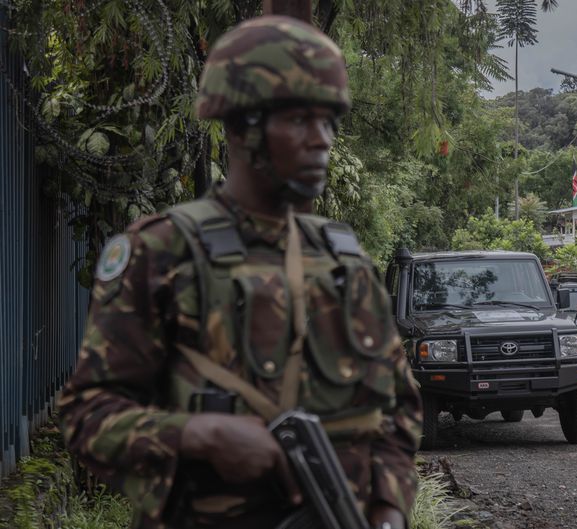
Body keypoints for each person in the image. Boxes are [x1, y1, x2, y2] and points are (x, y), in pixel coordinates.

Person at [58, 15, 422, 529]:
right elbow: (86, 416)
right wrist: (196, 435)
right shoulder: (160, 251)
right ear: (241, 125)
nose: (322, 141)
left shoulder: (345, 259)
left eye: (329, 122)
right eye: (299, 120)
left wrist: (388, 511)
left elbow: (398, 409)